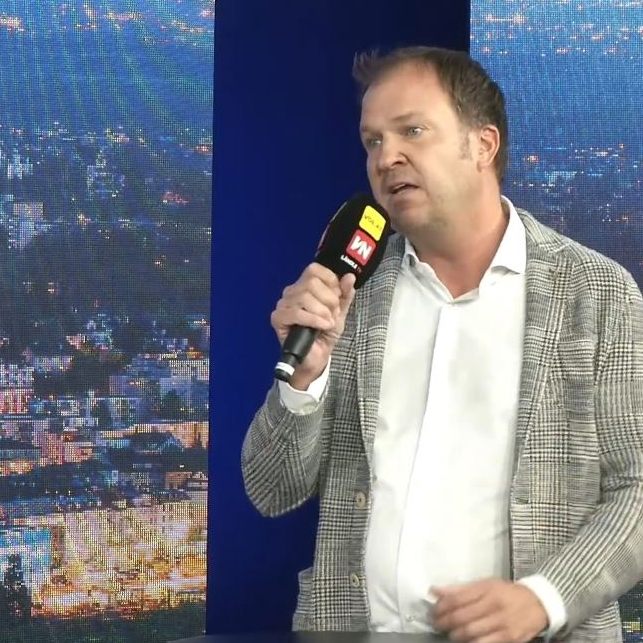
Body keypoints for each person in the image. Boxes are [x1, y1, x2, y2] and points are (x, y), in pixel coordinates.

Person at [241, 46, 643, 642]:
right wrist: (305, 380)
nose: (386, 158)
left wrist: (544, 599)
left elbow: (638, 489)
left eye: (412, 131)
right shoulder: (351, 291)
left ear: (483, 145)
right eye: (373, 141)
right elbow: (271, 489)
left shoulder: (595, 292)